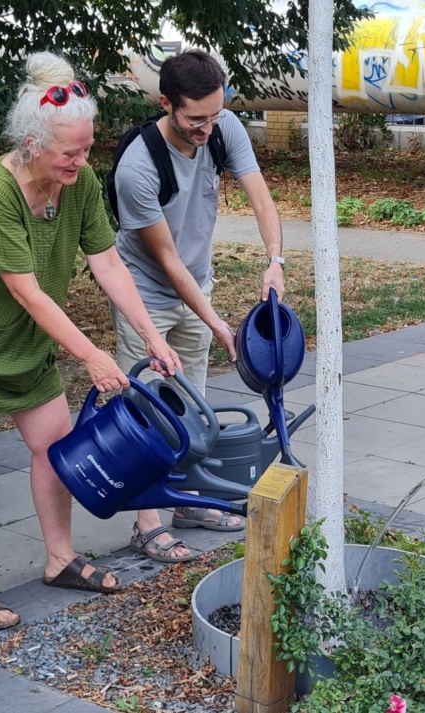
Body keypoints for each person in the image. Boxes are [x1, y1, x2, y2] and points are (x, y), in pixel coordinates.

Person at [0, 52, 184, 631]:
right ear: (30, 145)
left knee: (54, 443)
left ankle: (60, 559)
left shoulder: (80, 181)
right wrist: (91, 355)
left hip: (20, 332)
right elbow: (27, 291)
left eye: (87, 149)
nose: (82, 161)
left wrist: (152, 336)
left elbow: (108, 264)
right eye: (70, 152)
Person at [111, 49, 285, 562]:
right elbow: (166, 261)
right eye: (196, 119)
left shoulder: (223, 127)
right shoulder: (138, 167)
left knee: (193, 402)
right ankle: (146, 523)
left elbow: (261, 198)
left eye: (215, 114)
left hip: (197, 284)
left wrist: (275, 261)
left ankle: (186, 502)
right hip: (144, 293)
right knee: (147, 405)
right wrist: (220, 326)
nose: (208, 128)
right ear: (166, 104)